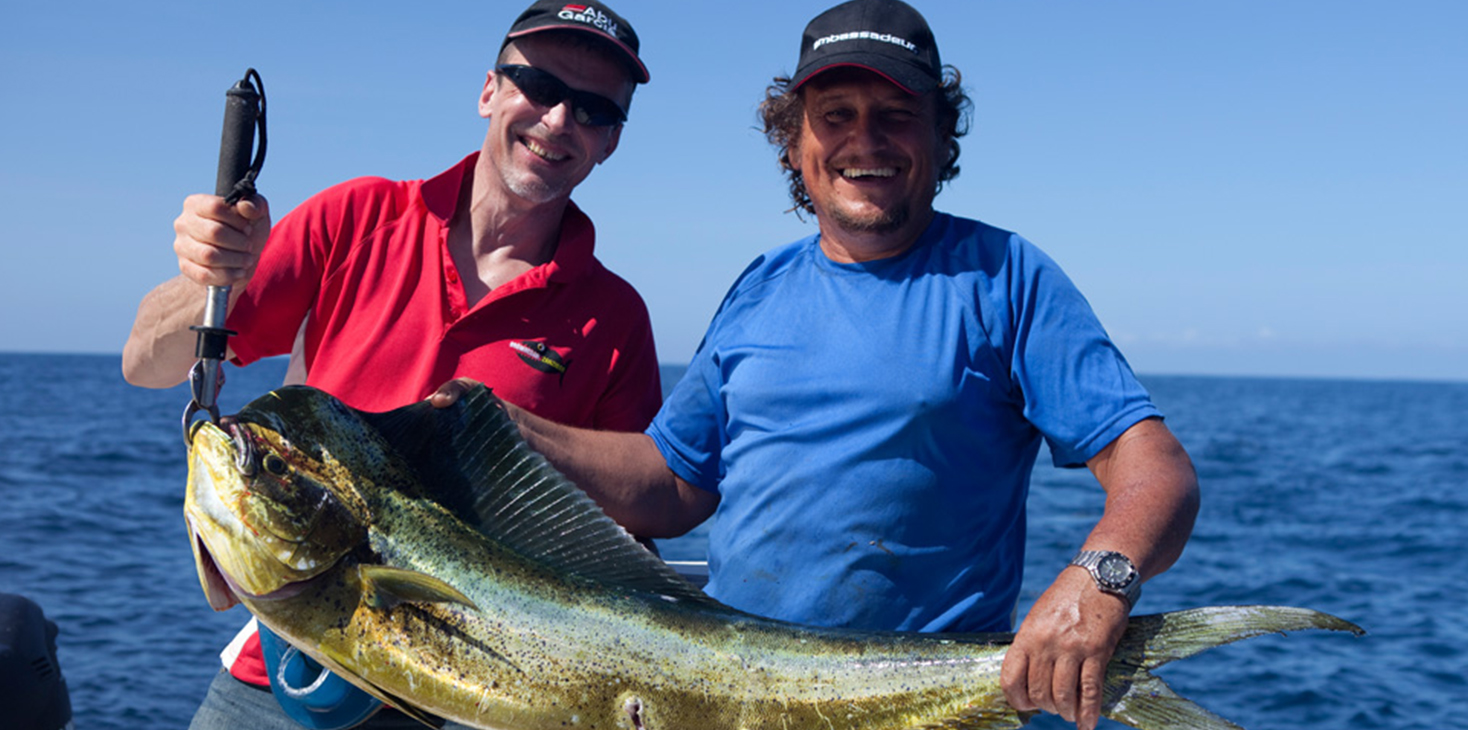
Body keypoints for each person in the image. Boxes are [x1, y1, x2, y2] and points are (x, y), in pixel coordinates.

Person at [434, 2, 1200, 729]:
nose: (864, 141)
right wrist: (503, 424)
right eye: (835, 117)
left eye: (896, 115)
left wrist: (1099, 581)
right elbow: (674, 484)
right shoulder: (760, 288)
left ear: (940, 137)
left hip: (914, 705)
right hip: (722, 696)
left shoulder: (1006, 277)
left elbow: (1156, 470)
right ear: (795, 145)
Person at [122, 2, 661, 728]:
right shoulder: (356, 217)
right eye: (537, 85)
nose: (560, 119)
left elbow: (642, 516)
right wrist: (208, 278)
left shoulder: (615, 314)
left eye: (594, 109)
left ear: (612, 143)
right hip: (292, 669)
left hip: (476, 691)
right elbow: (145, 364)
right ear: (489, 92)